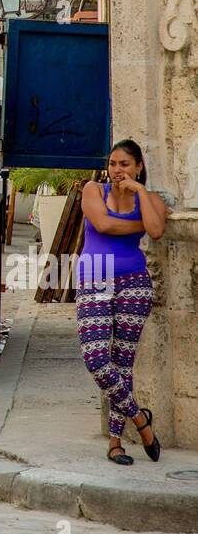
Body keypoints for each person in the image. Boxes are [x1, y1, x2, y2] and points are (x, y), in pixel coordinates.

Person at [76, 140, 167, 467]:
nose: (117, 170)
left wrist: (141, 194)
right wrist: (144, 220)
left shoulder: (149, 199)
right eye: (113, 163)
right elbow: (104, 224)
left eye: (125, 164)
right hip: (95, 275)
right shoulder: (93, 191)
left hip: (135, 282)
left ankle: (116, 443)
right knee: (96, 358)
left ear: (139, 167)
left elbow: (156, 232)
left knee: (123, 362)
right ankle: (141, 420)